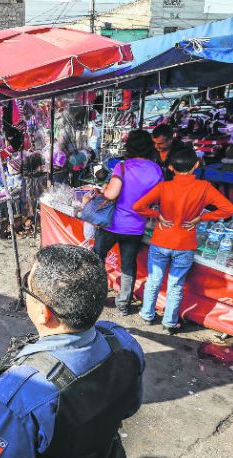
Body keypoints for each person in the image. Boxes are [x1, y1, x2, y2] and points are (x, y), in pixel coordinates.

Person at [0, 245, 145, 458]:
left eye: (28, 284)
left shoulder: (18, 396)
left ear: (44, 312)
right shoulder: (122, 342)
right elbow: (129, 407)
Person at [132, 148, 233, 333]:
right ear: (196, 165)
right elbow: (229, 209)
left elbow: (138, 206)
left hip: (161, 241)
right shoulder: (204, 187)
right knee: (175, 284)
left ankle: (147, 315)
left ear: (171, 168)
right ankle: (169, 323)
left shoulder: (164, 187)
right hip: (185, 244)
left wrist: (157, 215)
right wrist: (200, 218)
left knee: (154, 279)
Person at [93, 129, 163, 317]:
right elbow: (157, 200)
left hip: (112, 224)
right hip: (136, 227)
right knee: (128, 265)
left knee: (98, 257)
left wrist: (105, 188)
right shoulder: (156, 170)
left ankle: (96, 296)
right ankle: (123, 304)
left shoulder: (122, 167)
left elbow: (111, 195)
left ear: (130, 147)